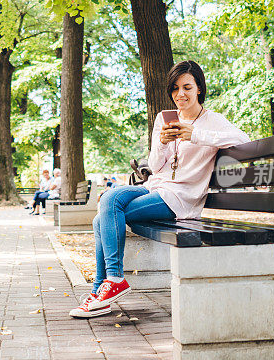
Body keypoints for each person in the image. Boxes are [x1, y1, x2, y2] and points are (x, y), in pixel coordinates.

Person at [69, 60, 250, 318]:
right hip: (156, 188)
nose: (180, 94)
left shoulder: (212, 121)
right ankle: (108, 286)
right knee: (109, 199)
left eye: (187, 87)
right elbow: (154, 165)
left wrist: (195, 134)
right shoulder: (164, 119)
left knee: (102, 219)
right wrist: (162, 143)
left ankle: (105, 287)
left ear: (199, 88)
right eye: (175, 88)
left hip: (181, 198)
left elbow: (245, 141)